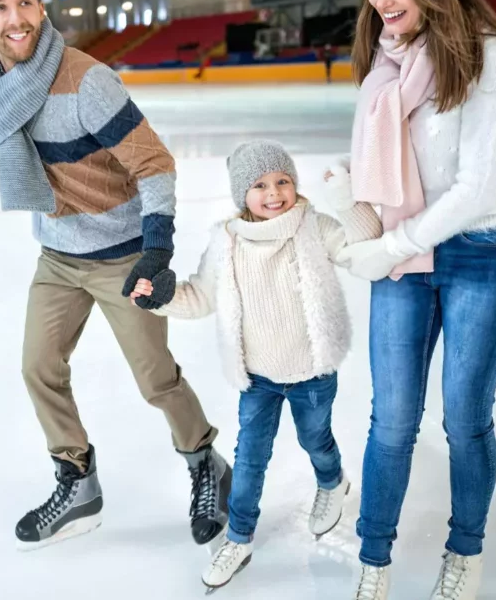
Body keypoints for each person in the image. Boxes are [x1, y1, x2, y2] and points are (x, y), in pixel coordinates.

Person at [0, 0, 231, 551]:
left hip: (120, 254)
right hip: (58, 257)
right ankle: (78, 483)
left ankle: (205, 466)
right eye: (0, 7)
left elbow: (155, 163)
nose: (17, 18)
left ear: (41, 5)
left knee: (155, 380)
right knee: (39, 367)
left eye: (25, 2)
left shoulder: (87, 81)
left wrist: (156, 247)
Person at [337, 0, 496, 598]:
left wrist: (389, 245)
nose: (383, 0)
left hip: (482, 251)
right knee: (390, 418)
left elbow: (475, 187)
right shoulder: (387, 52)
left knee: (464, 417)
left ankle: (465, 550)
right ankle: (374, 557)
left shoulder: (490, 55)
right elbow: (386, 163)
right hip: (406, 257)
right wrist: (351, 202)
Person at [132, 140, 383, 591]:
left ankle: (333, 483)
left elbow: (364, 250)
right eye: (260, 185)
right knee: (249, 460)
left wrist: (350, 202)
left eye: (282, 181)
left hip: (312, 372)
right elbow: (202, 297)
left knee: (316, 439)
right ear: (240, 195)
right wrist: (161, 298)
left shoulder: (314, 227)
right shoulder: (226, 241)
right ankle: (240, 536)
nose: (274, 193)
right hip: (258, 380)